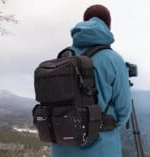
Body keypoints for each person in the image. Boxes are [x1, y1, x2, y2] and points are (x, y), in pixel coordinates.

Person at [51, 4, 132, 157]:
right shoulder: (113, 59)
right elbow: (124, 109)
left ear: (84, 22)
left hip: (62, 147)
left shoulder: (64, 57)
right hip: (102, 147)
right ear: (108, 25)